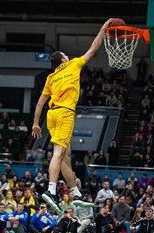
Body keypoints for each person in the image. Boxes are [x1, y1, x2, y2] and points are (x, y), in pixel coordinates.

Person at [31, 18, 113, 213]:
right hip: (65, 113)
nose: (68, 56)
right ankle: (50, 190)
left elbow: (40, 102)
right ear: (63, 60)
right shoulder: (74, 65)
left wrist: (36, 124)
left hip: (51, 115)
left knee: (66, 156)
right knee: (58, 154)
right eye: (66, 55)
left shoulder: (51, 77)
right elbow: (93, 49)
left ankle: (76, 193)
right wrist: (102, 29)